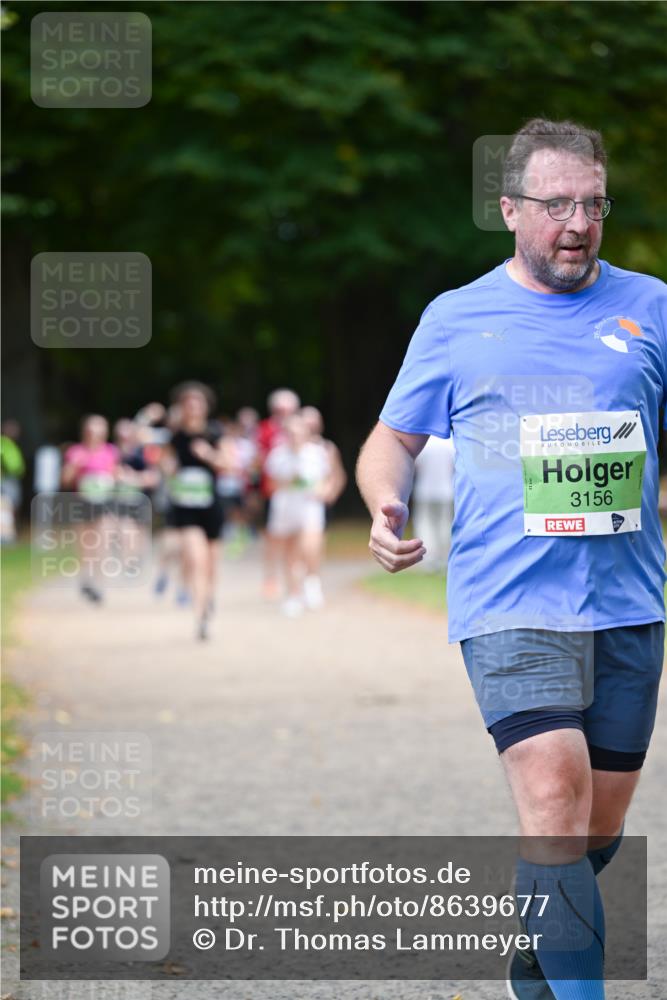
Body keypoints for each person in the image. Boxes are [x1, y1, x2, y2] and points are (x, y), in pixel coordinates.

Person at [356, 118, 666, 1000]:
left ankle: (533, 959)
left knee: (592, 828)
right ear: (508, 209)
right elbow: (391, 439)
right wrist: (384, 503)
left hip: (628, 603)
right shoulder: (456, 319)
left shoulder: (652, 307)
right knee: (555, 801)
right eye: (556, 204)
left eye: (593, 205)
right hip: (508, 602)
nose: (577, 223)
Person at [162, 382, 230, 640]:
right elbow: (164, 464)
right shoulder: (175, 436)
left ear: (205, 406)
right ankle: (200, 615)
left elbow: (229, 465)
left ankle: (208, 598)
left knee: (211, 563)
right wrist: (167, 468)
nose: (192, 407)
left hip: (211, 506)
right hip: (184, 507)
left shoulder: (216, 433)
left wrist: (208, 455)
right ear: (181, 407)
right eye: (187, 403)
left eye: (197, 402)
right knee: (194, 558)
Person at [265, 412, 331, 616]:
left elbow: (327, 479)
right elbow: (271, 484)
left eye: (298, 431)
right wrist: (288, 482)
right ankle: (294, 594)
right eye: (291, 432)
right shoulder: (277, 455)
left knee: (310, 548)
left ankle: (312, 581)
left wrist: (322, 490)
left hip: (310, 507)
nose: (295, 436)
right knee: (290, 554)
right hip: (286, 508)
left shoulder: (317, 453)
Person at [61, 414, 119, 603]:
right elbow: (65, 480)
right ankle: (86, 577)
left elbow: (115, 474)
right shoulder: (76, 451)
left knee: (103, 542)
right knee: (86, 543)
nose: (95, 434)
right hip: (82, 502)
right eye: (92, 430)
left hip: (104, 502)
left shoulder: (110, 451)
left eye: (99, 430)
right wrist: (75, 465)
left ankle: (100, 585)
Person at [300, 405, 347, 606]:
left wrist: (329, 493)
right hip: (296, 505)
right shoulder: (293, 447)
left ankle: (312, 581)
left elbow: (337, 475)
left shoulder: (327, 448)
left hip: (318, 504)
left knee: (315, 545)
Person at [257, 388, 301, 598]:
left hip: (298, 493)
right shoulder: (265, 429)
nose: (284, 413)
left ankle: (296, 579)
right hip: (273, 491)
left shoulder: (301, 428)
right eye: (280, 410)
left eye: (288, 410)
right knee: (273, 538)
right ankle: (271, 577)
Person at [412, 434, 455, 573]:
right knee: (446, 523)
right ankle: (444, 557)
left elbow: (416, 465)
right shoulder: (450, 442)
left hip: (425, 490)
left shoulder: (423, 442)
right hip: (446, 490)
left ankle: (428, 558)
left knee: (425, 524)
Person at [0, 419, 25, 543]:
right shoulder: (3, 443)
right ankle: (5, 534)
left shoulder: (11, 443)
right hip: (6, 479)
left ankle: (10, 532)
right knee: (6, 505)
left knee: (13, 505)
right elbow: (8, 462)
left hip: (13, 479)